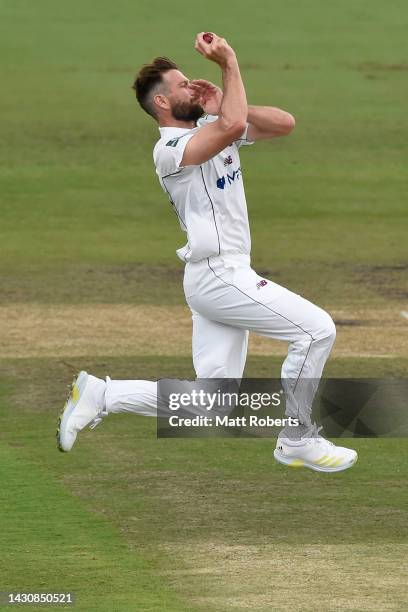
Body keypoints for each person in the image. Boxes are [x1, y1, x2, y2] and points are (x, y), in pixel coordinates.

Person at [57, 32, 357, 473]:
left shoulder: (210, 126)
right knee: (315, 331)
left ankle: (104, 394)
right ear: (161, 103)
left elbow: (283, 123)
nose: (192, 87)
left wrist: (223, 104)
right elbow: (233, 127)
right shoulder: (170, 150)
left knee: (210, 405)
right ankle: (296, 438)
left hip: (218, 277)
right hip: (218, 274)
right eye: (182, 86)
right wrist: (229, 63)